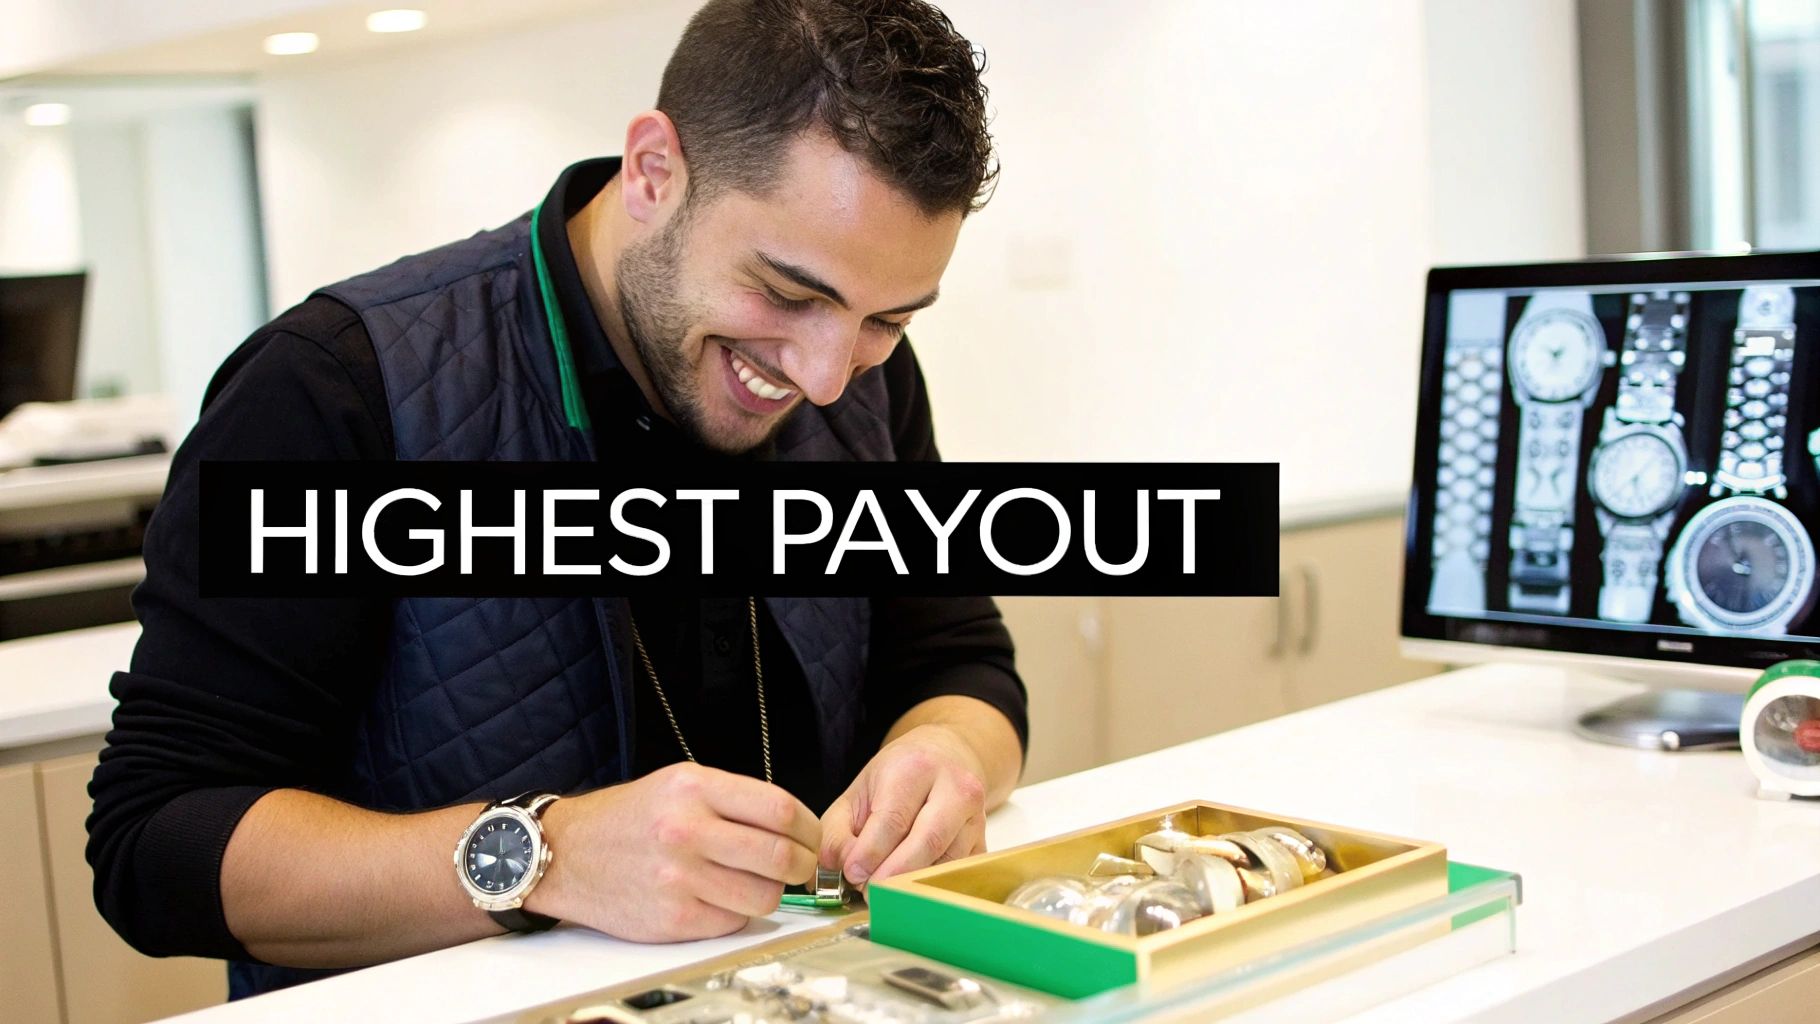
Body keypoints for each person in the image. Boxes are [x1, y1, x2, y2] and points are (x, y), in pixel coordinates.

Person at [86, 0, 1026, 999]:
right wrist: (546, 853)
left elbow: (960, 659)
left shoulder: (865, 379)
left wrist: (946, 751)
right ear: (653, 170)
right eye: (787, 293)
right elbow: (156, 845)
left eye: (884, 317)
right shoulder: (330, 387)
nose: (828, 375)